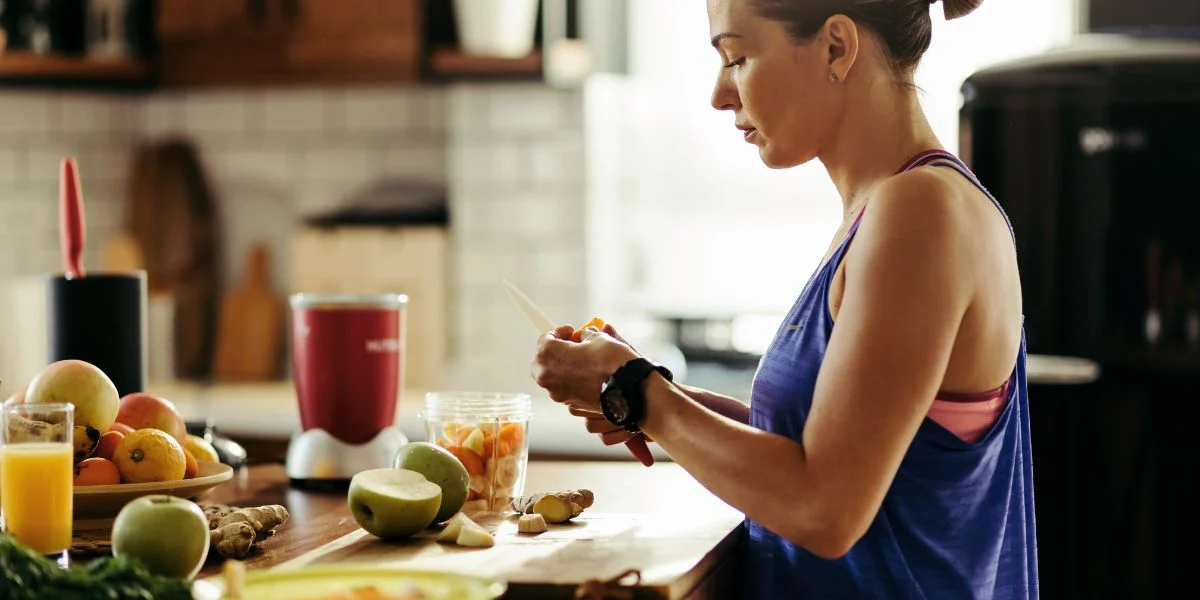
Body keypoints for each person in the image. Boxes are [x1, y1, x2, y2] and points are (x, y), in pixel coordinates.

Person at [530, 0, 1037, 598]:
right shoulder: (886, 209)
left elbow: (825, 509)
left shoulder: (920, 212)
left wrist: (638, 395)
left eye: (737, 57)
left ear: (836, 48)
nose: (720, 95)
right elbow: (823, 450)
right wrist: (643, 390)